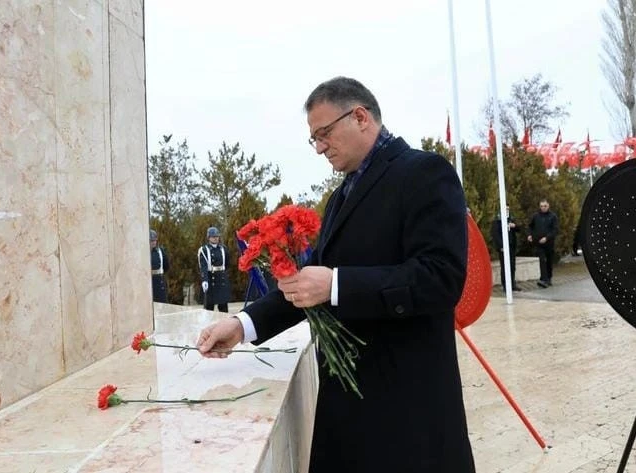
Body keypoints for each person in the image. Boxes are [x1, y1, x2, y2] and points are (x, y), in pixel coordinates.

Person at [196, 77, 475, 472]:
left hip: (406, 410)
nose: (320, 147)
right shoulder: (343, 194)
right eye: (314, 139)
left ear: (360, 116)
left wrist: (338, 284)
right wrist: (243, 325)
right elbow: (310, 284)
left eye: (324, 134)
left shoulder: (424, 173)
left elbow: (440, 278)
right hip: (348, 410)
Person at [197, 227, 231, 312]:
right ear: (208, 238)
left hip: (221, 279)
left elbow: (227, 263)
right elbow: (203, 266)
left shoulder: (223, 249)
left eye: (217, 236)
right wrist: (204, 280)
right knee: (209, 308)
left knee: (223, 307)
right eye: (213, 236)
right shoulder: (204, 250)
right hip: (210, 279)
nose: (216, 238)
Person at [527, 199, 558, 288]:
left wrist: (547, 238)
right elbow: (530, 226)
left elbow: (555, 230)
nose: (543, 208)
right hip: (538, 243)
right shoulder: (536, 216)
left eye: (545, 206)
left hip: (549, 243)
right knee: (542, 260)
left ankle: (548, 278)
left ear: (548, 206)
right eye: (541, 206)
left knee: (549, 261)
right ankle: (543, 279)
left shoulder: (553, 216)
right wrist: (529, 235)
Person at [491, 206, 522, 291]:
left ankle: (512, 284)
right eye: (505, 209)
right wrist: (501, 246)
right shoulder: (497, 222)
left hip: (512, 246)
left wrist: (514, 226)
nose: (507, 211)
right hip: (503, 248)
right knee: (504, 266)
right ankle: (505, 285)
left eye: (508, 209)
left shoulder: (511, 219)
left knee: (512, 266)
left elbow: (519, 229)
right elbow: (496, 235)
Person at [150, 230, 169, 303]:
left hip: (159, 282)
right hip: (148, 282)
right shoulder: (143, 252)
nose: (154, 242)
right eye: (152, 240)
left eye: (155, 240)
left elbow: (166, 266)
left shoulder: (161, 251)